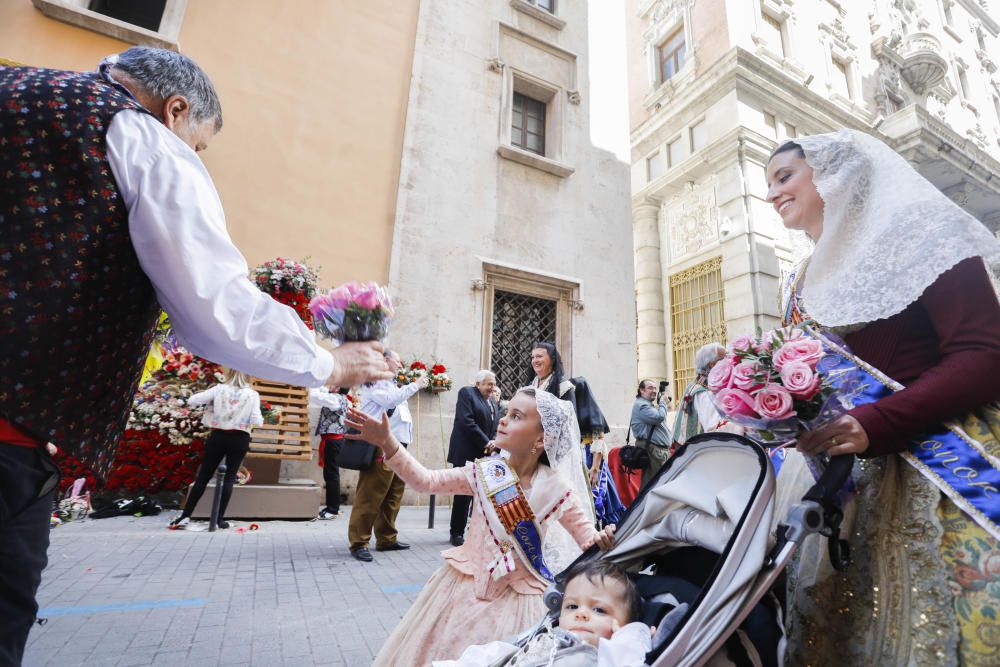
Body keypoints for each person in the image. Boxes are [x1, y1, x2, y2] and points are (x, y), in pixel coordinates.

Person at [0, 48, 391, 665]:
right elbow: (213, 305)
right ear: (175, 110)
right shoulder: (138, 133)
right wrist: (332, 364)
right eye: (199, 146)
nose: (194, 156)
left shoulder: (14, 85)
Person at [765, 129, 1000, 665]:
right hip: (844, 481)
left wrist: (885, 419)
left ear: (836, 173)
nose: (773, 193)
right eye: (769, 183)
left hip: (942, 458)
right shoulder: (796, 281)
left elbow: (985, 353)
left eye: (784, 176)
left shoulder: (924, 233)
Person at [345, 387, 617, 666]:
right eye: (506, 412)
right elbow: (426, 481)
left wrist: (604, 538)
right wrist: (388, 442)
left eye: (516, 416)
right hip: (464, 591)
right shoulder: (485, 472)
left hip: (520, 601)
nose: (502, 420)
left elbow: (589, 541)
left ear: (541, 438)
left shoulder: (558, 490)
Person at [436, 560, 649, 667]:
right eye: (572, 606)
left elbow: (630, 653)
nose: (581, 614)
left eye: (599, 610)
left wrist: (632, 633)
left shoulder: (609, 653)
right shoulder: (547, 638)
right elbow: (502, 653)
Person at [529, 342, 624, 527]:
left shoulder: (565, 389)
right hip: (539, 454)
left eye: (539, 356)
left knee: (590, 499)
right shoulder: (533, 386)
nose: (535, 360)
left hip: (577, 456)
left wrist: (595, 468)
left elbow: (581, 435)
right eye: (532, 357)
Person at [347, 350, 428, 562]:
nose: (401, 364)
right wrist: (416, 385)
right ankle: (359, 541)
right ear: (385, 360)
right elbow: (391, 401)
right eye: (398, 360)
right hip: (380, 444)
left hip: (398, 444)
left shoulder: (391, 383)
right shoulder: (374, 381)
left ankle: (386, 537)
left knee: (393, 493)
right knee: (371, 493)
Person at [168, 370, 263, 530]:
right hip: (240, 438)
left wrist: (214, 406)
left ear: (229, 374)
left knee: (204, 475)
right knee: (230, 477)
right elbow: (257, 420)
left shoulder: (219, 389)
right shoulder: (252, 395)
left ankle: (186, 515)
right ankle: (219, 519)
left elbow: (193, 400)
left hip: (218, 435)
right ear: (248, 375)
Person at [446, 370, 500, 546]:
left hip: (484, 455)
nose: (492, 388)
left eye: (493, 384)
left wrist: (493, 443)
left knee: (481, 496)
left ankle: (475, 532)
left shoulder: (492, 401)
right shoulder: (467, 393)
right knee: (463, 494)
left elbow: (493, 425)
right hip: (466, 453)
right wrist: (487, 442)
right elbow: (467, 421)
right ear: (478, 384)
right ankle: (456, 532)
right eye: (489, 384)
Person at [672, 343, 727, 447]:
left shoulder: (700, 383)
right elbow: (714, 427)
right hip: (698, 452)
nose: (728, 362)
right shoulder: (703, 391)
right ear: (712, 364)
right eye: (724, 359)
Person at [310, 384, 352, 519]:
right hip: (336, 440)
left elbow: (315, 395)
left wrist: (313, 380)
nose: (330, 385)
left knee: (331, 474)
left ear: (339, 388)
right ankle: (334, 506)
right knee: (332, 474)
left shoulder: (334, 399)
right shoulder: (343, 398)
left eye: (334, 384)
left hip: (333, 441)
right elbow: (322, 392)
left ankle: (332, 509)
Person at [630, 379, 673, 489]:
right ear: (641, 390)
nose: (654, 390)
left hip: (658, 451)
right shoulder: (642, 406)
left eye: (655, 388)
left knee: (657, 484)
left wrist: (661, 404)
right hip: (653, 451)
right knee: (654, 486)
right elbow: (659, 418)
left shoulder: (648, 405)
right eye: (650, 388)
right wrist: (663, 403)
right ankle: (645, 506)